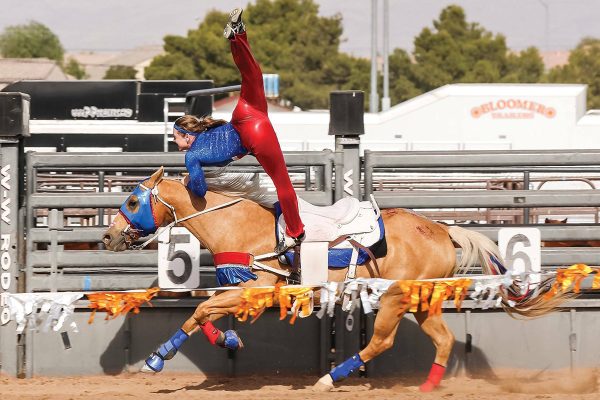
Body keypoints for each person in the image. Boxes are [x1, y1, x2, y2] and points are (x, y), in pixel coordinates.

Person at [172, 8, 304, 254]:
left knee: (282, 183)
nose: (176, 145)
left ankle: (296, 232)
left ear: (187, 135)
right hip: (243, 115)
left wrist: (189, 180)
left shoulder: (192, 155)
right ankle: (238, 34)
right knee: (251, 75)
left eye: (176, 139)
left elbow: (200, 192)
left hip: (252, 135)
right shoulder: (207, 133)